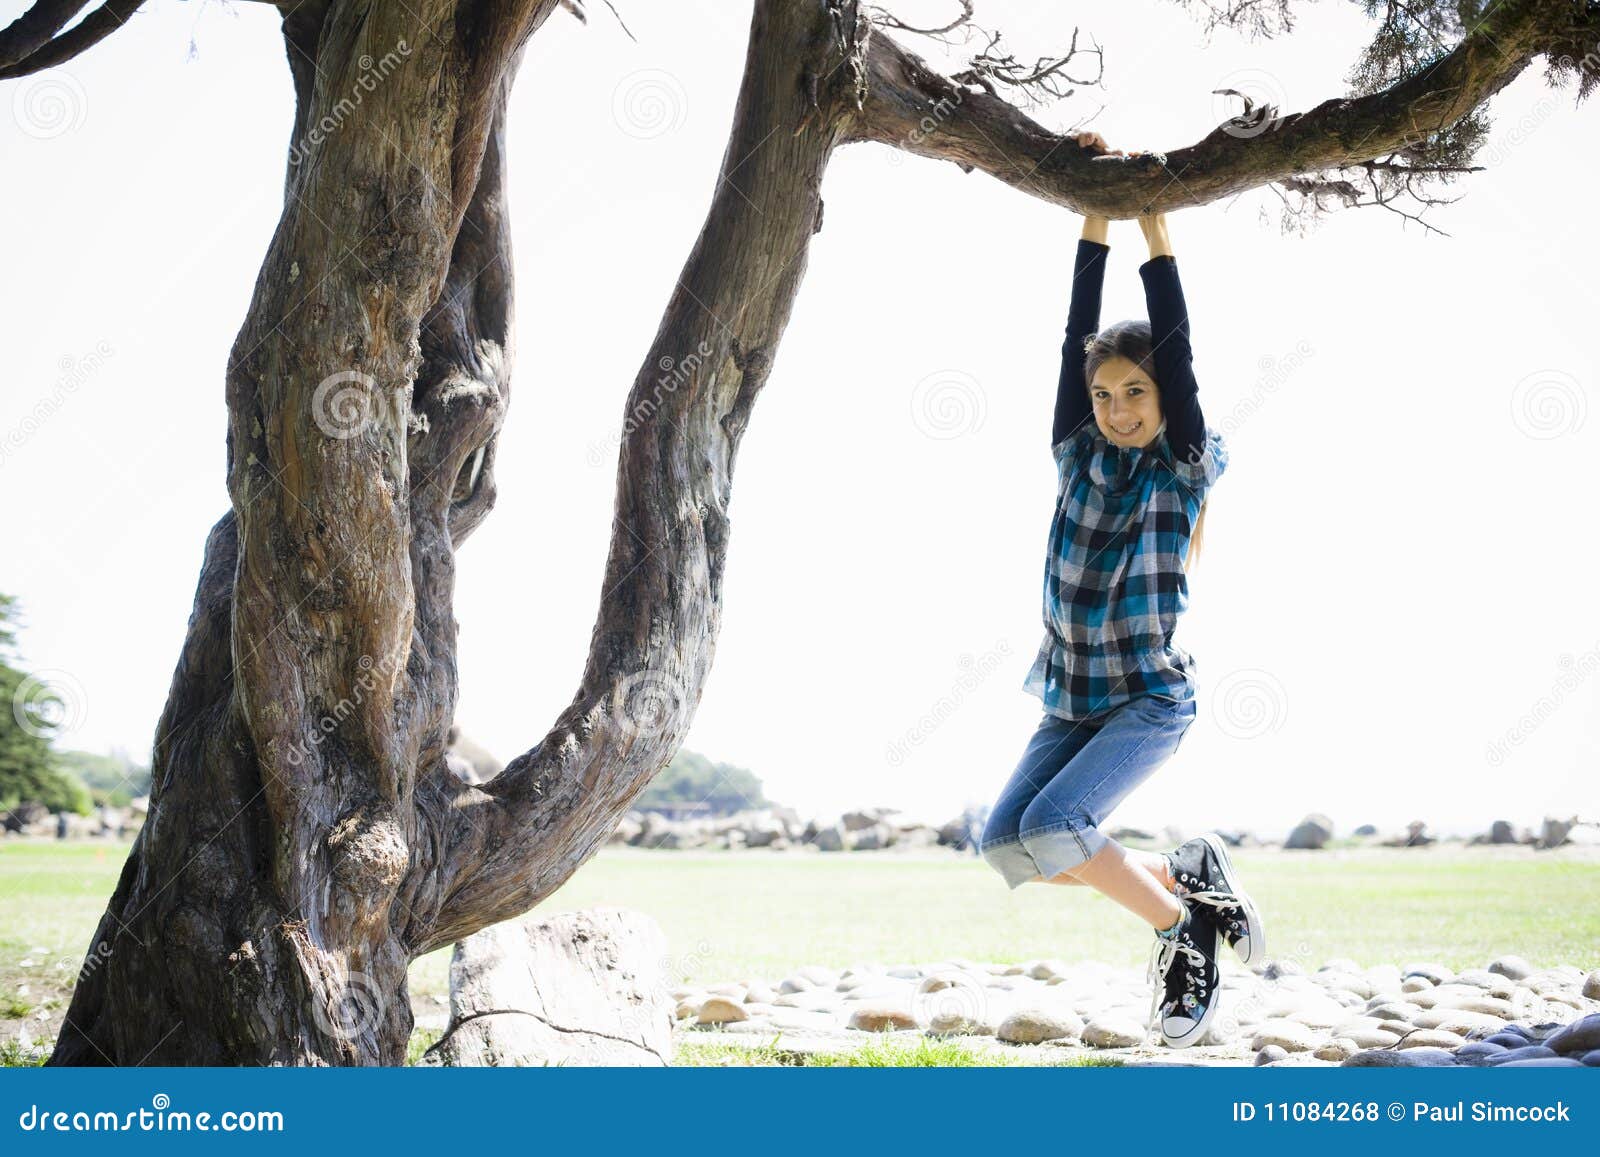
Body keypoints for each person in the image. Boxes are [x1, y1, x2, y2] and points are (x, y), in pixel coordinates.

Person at [977, 131, 1265, 1050]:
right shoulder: (1077, 456)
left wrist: (1153, 225)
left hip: (1145, 696)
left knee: (1060, 822)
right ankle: (1190, 879)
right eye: (1105, 394)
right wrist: (1090, 210)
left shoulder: (1180, 471)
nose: (1117, 406)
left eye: (1134, 391)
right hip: (1072, 700)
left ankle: (1185, 937)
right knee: (1006, 842)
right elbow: (1073, 338)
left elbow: (1177, 351)